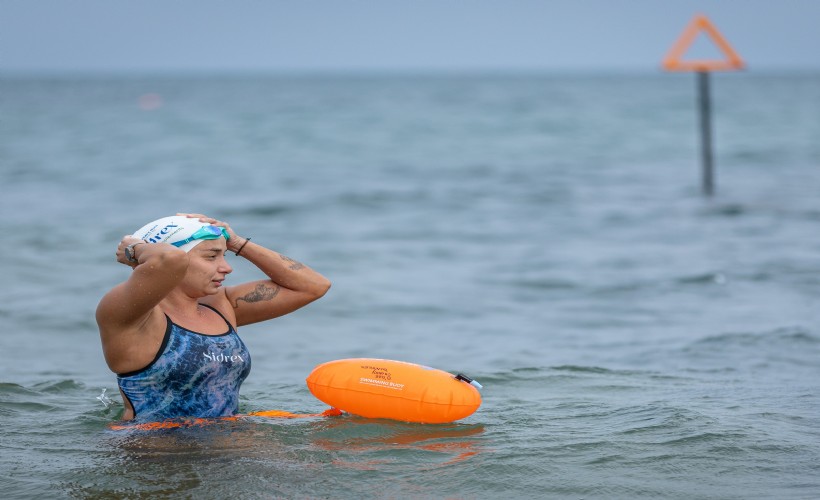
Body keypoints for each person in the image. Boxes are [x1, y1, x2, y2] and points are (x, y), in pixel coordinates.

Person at [96, 213, 331, 422]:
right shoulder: (131, 316)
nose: (227, 267)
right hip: (157, 457)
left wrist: (238, 243)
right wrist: (135, 248)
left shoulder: (221, 306)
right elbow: (168, 260)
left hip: (223, 446)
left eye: (225, 254)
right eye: (212, 256)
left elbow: (313, 286)